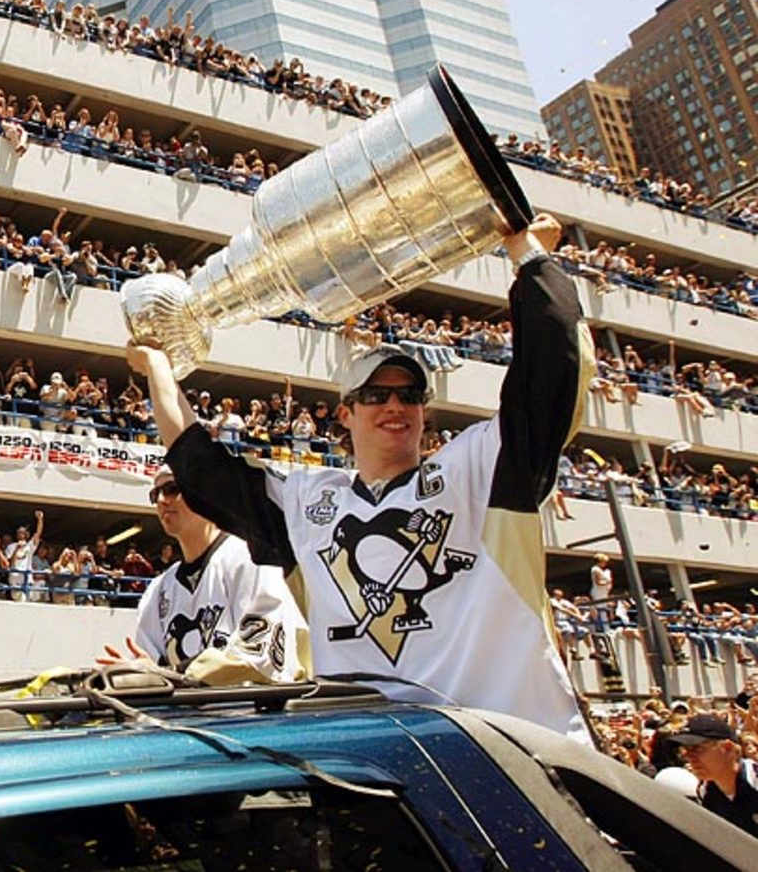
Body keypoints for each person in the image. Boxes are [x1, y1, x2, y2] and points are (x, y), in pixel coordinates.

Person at [127, 213, 594, 738]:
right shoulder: (306, 505)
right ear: (345, 413)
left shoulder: (479, 469)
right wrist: (159, 370)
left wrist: (531, 260)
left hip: (511, 746)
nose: (395, 405)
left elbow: (550, 375)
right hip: (380, 755)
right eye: (375, 395)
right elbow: (201, 468)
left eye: (409, 395)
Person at [100, 466, 308, 684]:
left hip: (249, 704)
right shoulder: (158, 590)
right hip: (188, 706)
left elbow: (259, 658)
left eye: (172, 489)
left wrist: (169, 673)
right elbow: (149, 667)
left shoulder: (253, 559)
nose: (161, 500)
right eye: (155, 494)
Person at [670, 714, 758, 837]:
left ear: (727, 748)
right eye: (685, 750)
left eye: (697, 749)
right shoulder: (704, 791)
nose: (689, 757)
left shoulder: (754, 780)